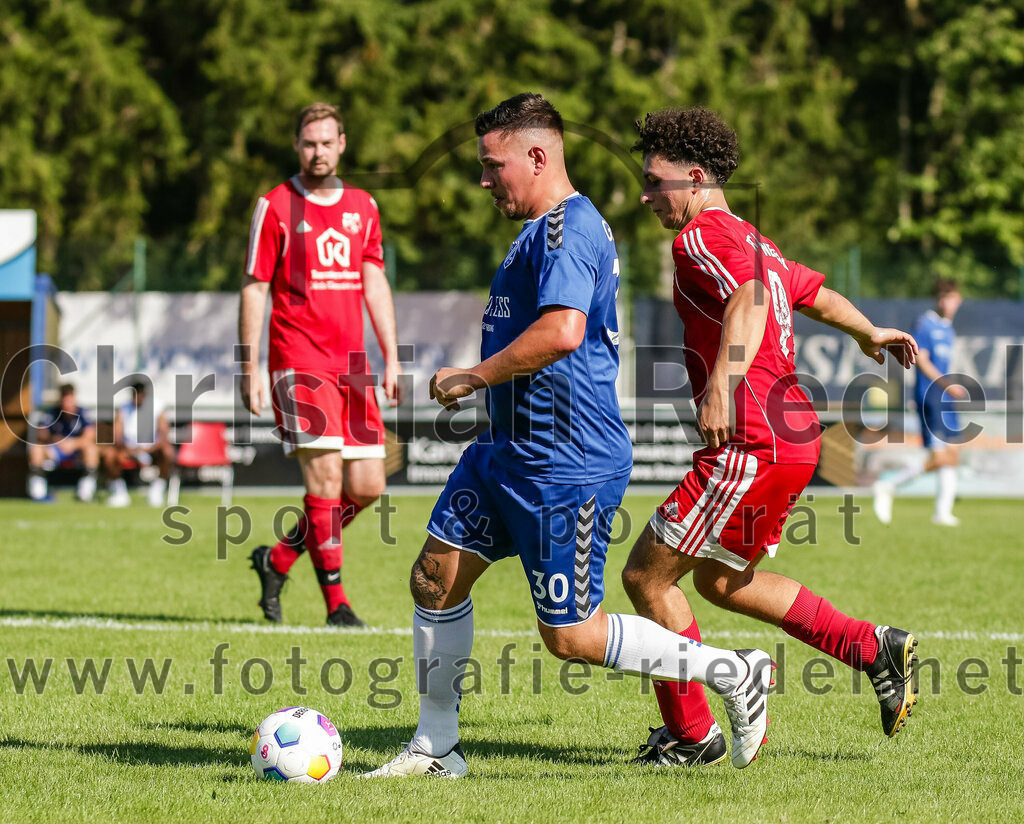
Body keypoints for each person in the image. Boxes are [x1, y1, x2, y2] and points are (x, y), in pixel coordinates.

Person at [363, 94, 775, 780]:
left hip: (565, 461)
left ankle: (731, 671)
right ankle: (436, 749)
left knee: (570, 637)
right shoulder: (537, 232)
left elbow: (563, 332)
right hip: (507, 451)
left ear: (537, 155)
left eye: (493, 165)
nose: (485, 179)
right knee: (435, 578)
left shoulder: (568, 230)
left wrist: (474, 375)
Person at [621, 107, 921, 767]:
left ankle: (690, 735)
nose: (645, 196)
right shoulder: (757, 239)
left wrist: (724, 382)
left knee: (647, 577)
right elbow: (811, 292)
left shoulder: (699, 238)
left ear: (695, 177)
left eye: (654, 180)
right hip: (792, 440)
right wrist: (868, 331)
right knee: (724, 582)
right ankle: (873, 647)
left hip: (751, 440)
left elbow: (753, 297)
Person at [241, 102, 403, 628]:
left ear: (342, 144)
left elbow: (374, 279)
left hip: (353, 364)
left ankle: (277, 559)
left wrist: (391, 355)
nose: (318, 151)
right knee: (326, 480)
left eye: (326, 142)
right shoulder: (276, 205)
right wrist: (249, 368)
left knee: (368, 486)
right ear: (296, 146)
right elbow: (255, 287)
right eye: (309, 143)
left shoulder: (363, 205)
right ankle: (338, 606)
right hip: (298, 358)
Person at [873, 278, 965, 527]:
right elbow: (921, 361)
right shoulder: (925, 324)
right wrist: (947, 384)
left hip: (946, 398)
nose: (951, 304)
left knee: (953, 455)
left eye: (954, 299)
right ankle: (888, 484)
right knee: (940, 457)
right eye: (946, 299)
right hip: (931, 397)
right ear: (938, 300)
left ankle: (942, 512)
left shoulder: (948, 329)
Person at [104, 381, 174, 508]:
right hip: (129, 450)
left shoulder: (158, 407)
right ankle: (119, 492)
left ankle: (157, 490)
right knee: (109, 454)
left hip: (152, 450)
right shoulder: (123, 409)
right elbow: (117, 436)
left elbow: (164, 435)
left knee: (167, 452)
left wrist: (147, 450)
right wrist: (132, 451)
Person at [28, 383, 100, 502]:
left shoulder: (83, 413)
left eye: (70, 400)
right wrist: (57, 440)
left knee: (91, 449)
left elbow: (90, 435)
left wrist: (73, 443)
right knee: (36, 449)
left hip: (76, 451)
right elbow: (41, 433)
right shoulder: (51, 413)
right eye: (65, 400)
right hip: (56, 450)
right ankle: (38, 493)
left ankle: (85, 492)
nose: (67, 404)